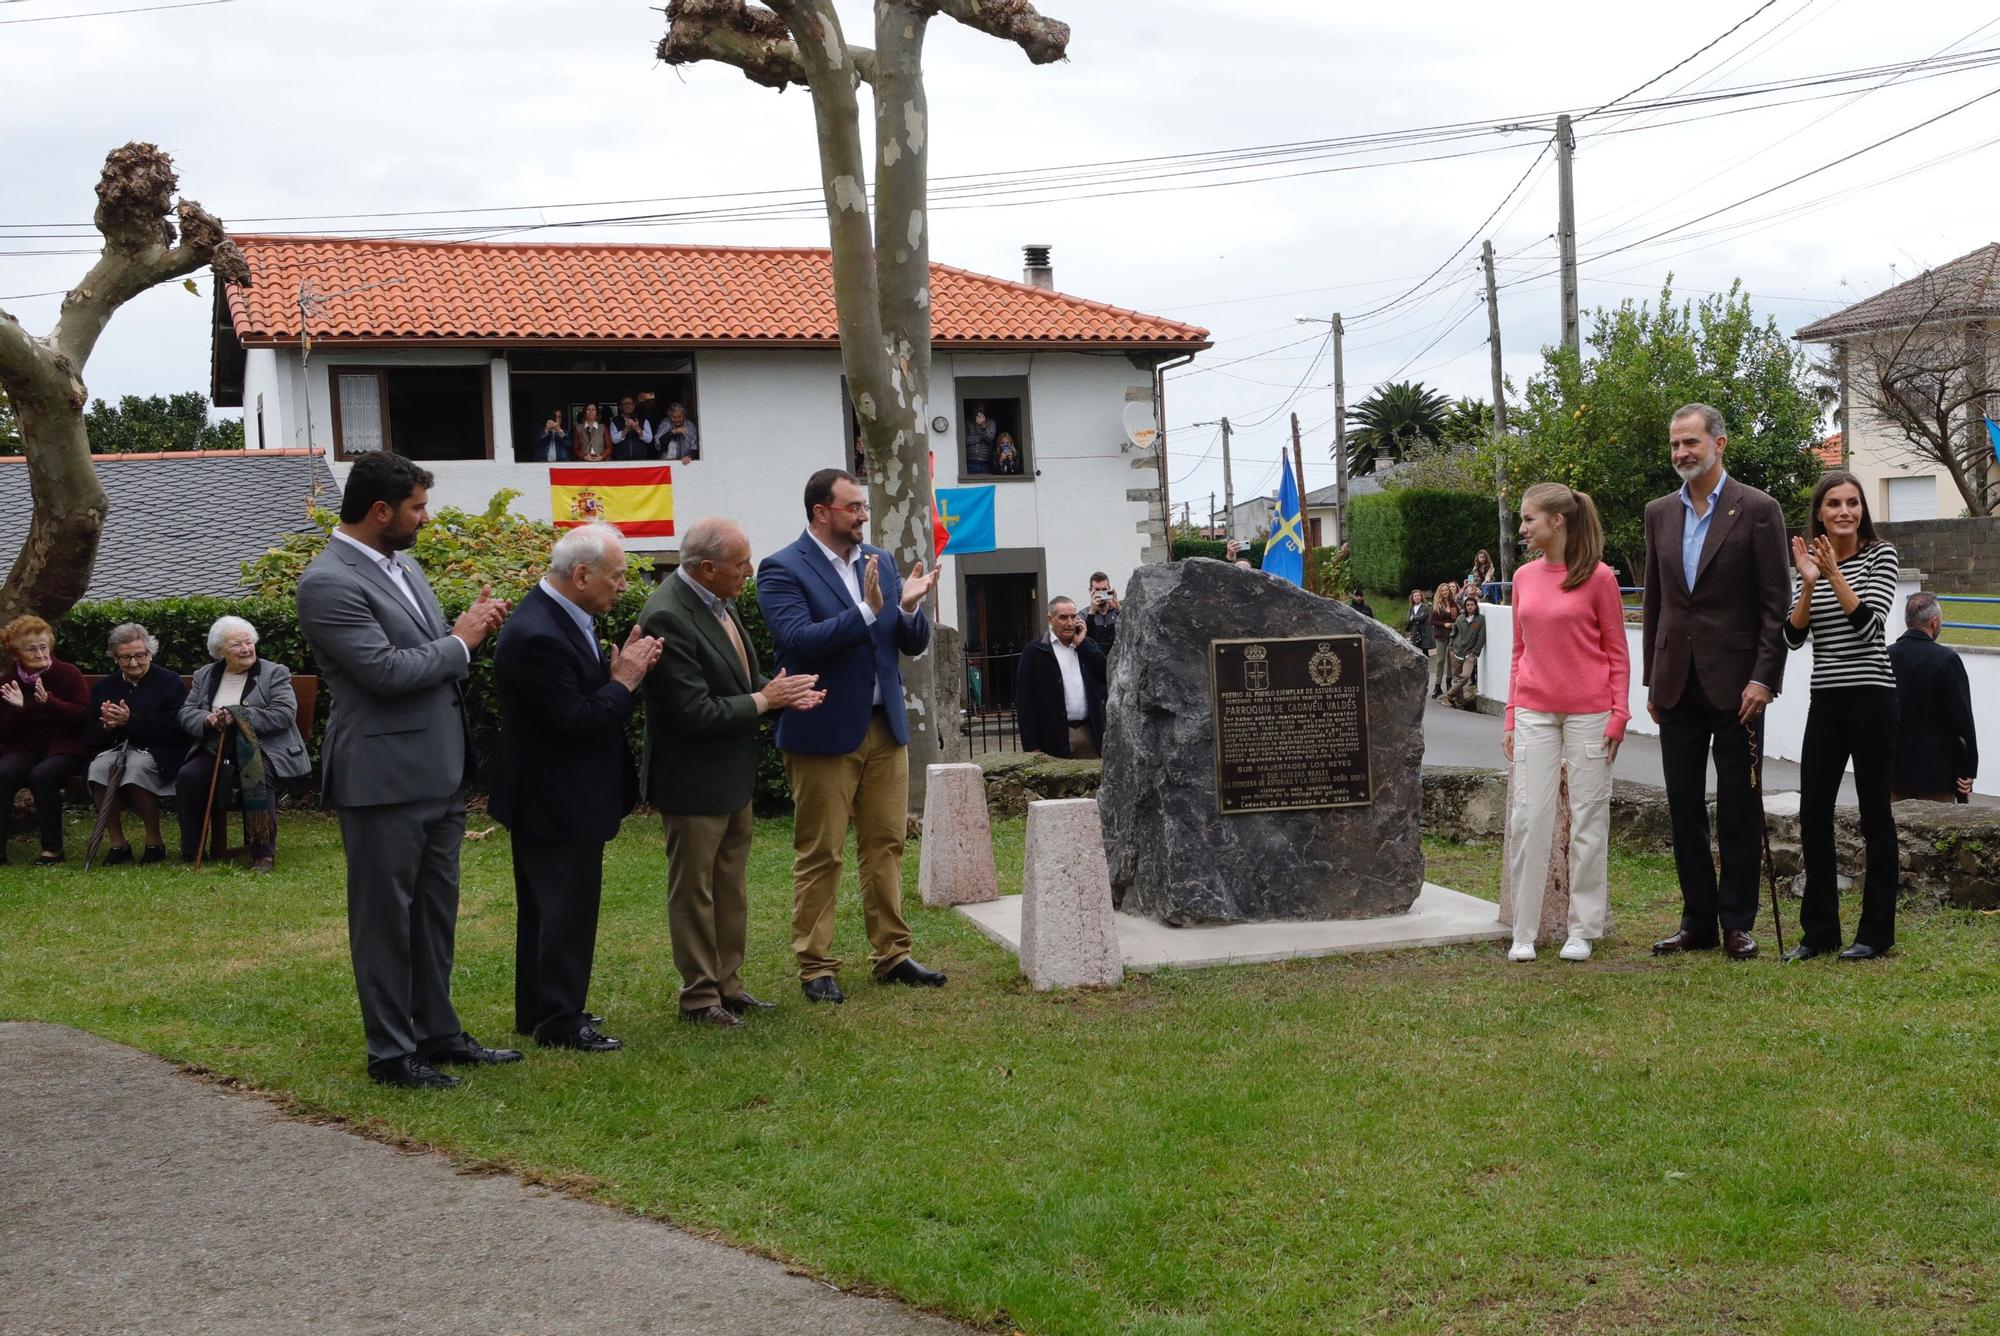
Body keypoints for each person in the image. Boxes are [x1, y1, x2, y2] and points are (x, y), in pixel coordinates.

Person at [296, 451, 518, 1090]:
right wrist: (462, 641)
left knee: (433, 915)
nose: (426, 518)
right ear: (380, 510)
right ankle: (391, 1054)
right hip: (381, 775)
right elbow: (385, 673)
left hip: (438, 772)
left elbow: (421, 653)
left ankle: (439, 1034)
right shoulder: (328, 582)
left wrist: (454, 637)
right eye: (418, 508)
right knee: (384, 921)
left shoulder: (405, 564)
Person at [756, 468, 946, 1003]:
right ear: (821, 511)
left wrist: (908, 606)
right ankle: (816, 965)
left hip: (885, 730)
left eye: (863, 507)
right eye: (853, 507)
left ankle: (893, 954)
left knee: (886, 844)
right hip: (822, 730)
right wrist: (867, 609)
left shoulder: (880, 562)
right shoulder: (781, 569)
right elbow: (799, 641)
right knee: (822, 852)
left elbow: (906, 644)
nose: (864, 515)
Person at [641, 518, 824, 1029]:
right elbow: (694, 711)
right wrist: (767, 700)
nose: (750, 570)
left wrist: (784, 695)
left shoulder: (719, 604)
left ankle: (728, 985)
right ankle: (699, 997)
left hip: (730, 776)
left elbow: (740, 680)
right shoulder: (668, 615)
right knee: (694, 891)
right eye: (740, 563)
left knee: (729, 887)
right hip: (693, 780)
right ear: (706, 568)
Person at [490, 521, 660, 1051]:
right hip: (554, 797)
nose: (623, 586)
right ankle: (560, 1020)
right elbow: (573, 721)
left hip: (555, 792)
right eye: (618, 576)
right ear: (581, 574)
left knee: (551, 908)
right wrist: (624, 682)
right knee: (564, 909)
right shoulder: (538, 632)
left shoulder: (564, 615)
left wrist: (608, 676)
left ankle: (542, 1009)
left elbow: (574, 699)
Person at [1642, 402, 1790, 962]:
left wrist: (1763, 679)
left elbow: (1775, 606)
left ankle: (1737, 923)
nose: (1682, 453)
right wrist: (1653, 681)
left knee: (1738, 807)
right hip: (1675, 684)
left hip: (1739, 688)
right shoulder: (1659, 512)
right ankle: (1697, 922)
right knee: (1682, 806)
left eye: (1692, 443)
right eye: (1676, 444)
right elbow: (1656, 602)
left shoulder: (1757, 509)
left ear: (1719, 445)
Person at [1500, 483, 1630, 963]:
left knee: (1588, 819)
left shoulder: (1598, 579)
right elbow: (1518, 652)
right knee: (1528, 818)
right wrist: (1511, 715)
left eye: (1529, 519)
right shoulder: (1523, 578)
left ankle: (1582, 928)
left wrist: (1619, 714)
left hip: (1591, 713)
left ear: (1557, 522)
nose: (1523, 528)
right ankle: (1524, 931)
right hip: (1534, 710)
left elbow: (1617, 651)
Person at [1782, 471, 1902, 962]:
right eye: (1834, 504)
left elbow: (1869, 625)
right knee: (1814, 815)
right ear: (1820, 513)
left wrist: (1833, 574)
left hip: (1873, 697)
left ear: (1862, 511)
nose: (1844, 512)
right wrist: (1810, 583)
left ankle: (1875, 934)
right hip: (1826, 700)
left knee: (1876, 816)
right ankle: (1820, 933)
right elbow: (1792, 637)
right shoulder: (1807, 563)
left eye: (1853, 503)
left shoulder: (1882, 555)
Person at [174, 616, 310, 871]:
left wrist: (238, 714)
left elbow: (283, 713)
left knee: (257, 776)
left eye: (249, 642)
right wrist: (208, 719)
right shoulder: (205, 675)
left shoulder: (273, 673)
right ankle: (192, 850)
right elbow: (186, 711)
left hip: (261, 748)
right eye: (237, 645)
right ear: (220, 651)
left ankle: (263, 854)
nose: (246, 649)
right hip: (218, 747)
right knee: (188, 777)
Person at [83, 623, 187, 865]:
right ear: (115, 658)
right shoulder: (105, 687)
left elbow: (176, 726)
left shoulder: (169, 682)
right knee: (99, 769)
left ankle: (154, 841)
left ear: (150, 653)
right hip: (116, 749)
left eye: (140, 655)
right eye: (125, 658)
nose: (133, 663)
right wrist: (106, 727)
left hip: (160, 749)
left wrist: (131, 720)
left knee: (137, 768)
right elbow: (90, 735)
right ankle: (118, 843)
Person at [0, 616, 90, 865]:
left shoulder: (67, 673)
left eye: (43, 646)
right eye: (31, 648)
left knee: (42, 776)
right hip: (25, 749)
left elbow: (82, 716)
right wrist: (20, 709)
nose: (40, 653)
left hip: (65, 747)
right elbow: (5, 734)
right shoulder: (9, 681)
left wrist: (49, 703)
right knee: (4, 773)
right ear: (17, 653)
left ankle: (52, 850)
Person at [1889, 591, 1976, 804]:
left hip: (1894, 771)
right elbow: (1962, 720)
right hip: (1937, 774)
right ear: (1934, 622)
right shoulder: (1946, 660)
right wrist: (1969, 768)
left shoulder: (1886, 656)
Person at [1016, 596, 1108, 759]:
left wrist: (1083, 645)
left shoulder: (1087, 646)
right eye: (1063, 617)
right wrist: (1032, 747)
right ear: (1050, 620)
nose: (1070, 623)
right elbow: (1025, 702)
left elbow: (1105, 675)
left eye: (1073, 617)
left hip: (1088, 733)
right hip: (1052, 736)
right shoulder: (1035, 651)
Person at [1442, 591, 1486, 708]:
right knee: (1457, 679)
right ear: (1465, 607)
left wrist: (1474, 652)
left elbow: (1481, 638)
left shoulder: (1480, 619)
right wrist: (1451, 648)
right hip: (1455, 652)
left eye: (1472, 604)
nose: (1470, 607)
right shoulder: (1460, 618)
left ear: (1476, 606)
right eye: (1467, 605)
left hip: (1469, 654)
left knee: (1465, 676)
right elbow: (1453, 633)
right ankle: (1460, 704)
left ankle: (1448, 696)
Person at [1427, 583, 1459, 699]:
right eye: (1443, 590)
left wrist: (1454, 624)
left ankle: (1449, 683)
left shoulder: (1453, 604)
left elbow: (1458, 617)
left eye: (1446, 590)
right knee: (1440, 660)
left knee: (1451, 660)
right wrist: (1444, 624)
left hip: (1452, 635)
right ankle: (1437, 686)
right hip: (1440, 635)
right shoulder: (1437, 605)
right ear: (1439, 592)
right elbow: (1431, 621)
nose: (1445, 592)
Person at [1084, 572, 1120, 655]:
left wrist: (1118, 609)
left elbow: (1129, 632)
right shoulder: (1083, 614)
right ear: (1090, 591)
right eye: (1097, 590)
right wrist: (1092, 613)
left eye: (1104, 590)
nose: (1101, 594)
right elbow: (1084, 641)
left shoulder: (1117, 610)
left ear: (1109, 589)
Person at [610, 396, 654, 461]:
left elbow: (649, 439)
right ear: (620, 407)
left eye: (630, 404)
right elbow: (613, 440)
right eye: (625, 404)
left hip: (640, 460)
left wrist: (637, 428)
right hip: (621, 460)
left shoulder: (643, 419)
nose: (628, 406)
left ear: (634, 406)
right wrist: (625, 430)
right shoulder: (615, 421)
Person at [963, 404, 997, 475]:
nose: (979, 408)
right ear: (972, 407)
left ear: (984, 407)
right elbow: (963, 440)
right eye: (977, 405)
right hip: (969, 462)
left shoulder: (991, 422)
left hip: (986, 462)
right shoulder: (967, 422)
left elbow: (990, 440)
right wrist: (981, 437)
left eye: (981, 405)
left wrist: (983, 426)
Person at [1403, 588, 1434, 657]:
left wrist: (1413, 618)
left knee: (1425, 650)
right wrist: (1413, 618)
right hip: (1415, 632)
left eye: (1418, 595)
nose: (1417, 597)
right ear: (1412, 598)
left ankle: (1427, 665)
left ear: (1421, 597)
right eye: (1415, 596)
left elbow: (1422, 618)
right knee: (1417, 651)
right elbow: (1407, 619)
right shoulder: (1411, 608)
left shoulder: (1425, 606)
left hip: (1424, 631)